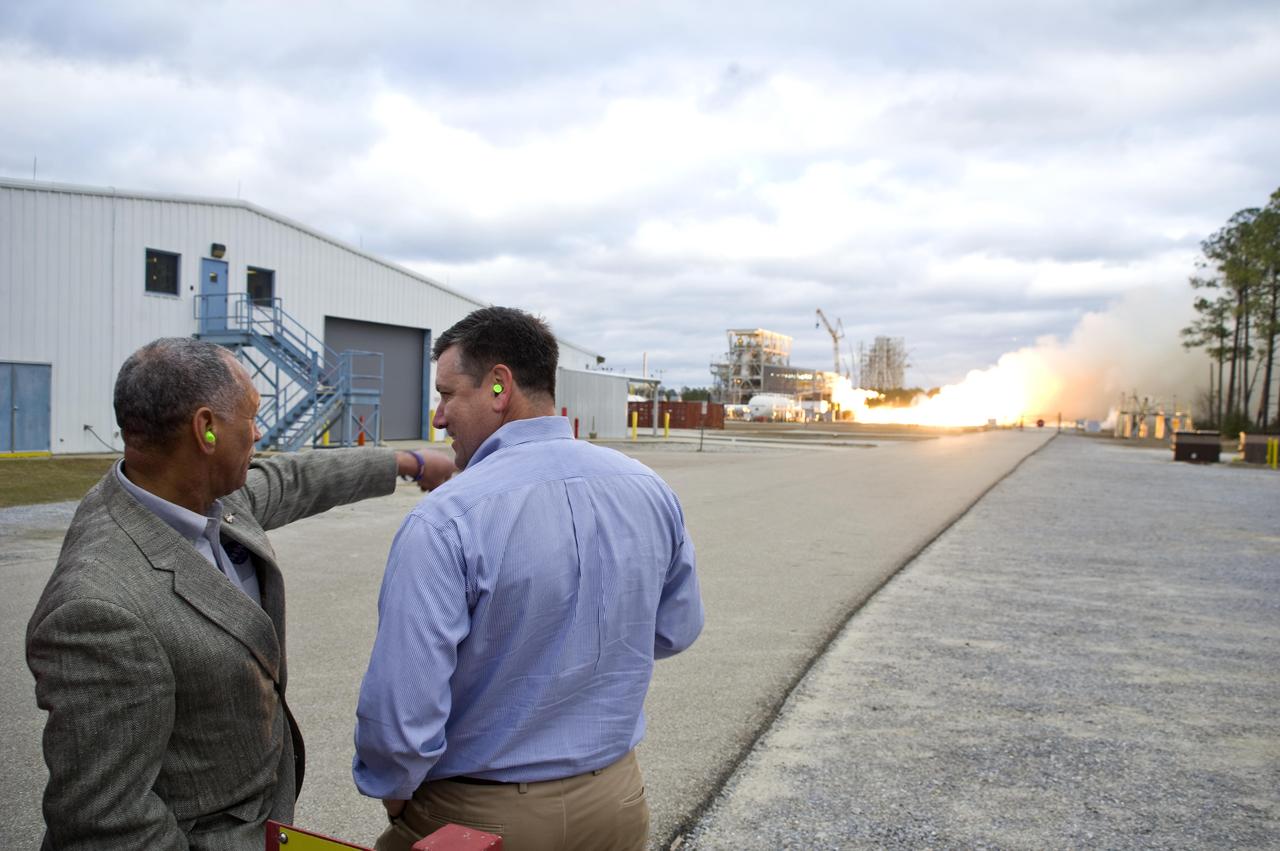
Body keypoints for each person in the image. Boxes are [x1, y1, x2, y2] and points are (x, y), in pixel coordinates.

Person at [26, 337, 451, 851]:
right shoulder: (97, 607)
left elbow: (294, 478)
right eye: (250, 418)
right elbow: (106, 821)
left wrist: (407, 462)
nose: (257, 433)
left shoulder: (198, 494)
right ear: (205, 429)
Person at [353, 307, 704, 851]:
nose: (439, 417)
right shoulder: (649, 489)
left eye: (447, 394)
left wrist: (397, 792)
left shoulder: (447, 519)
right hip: (616, 802)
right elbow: (675, 629)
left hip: (479, 816)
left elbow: (402, 707)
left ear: (499, 385)